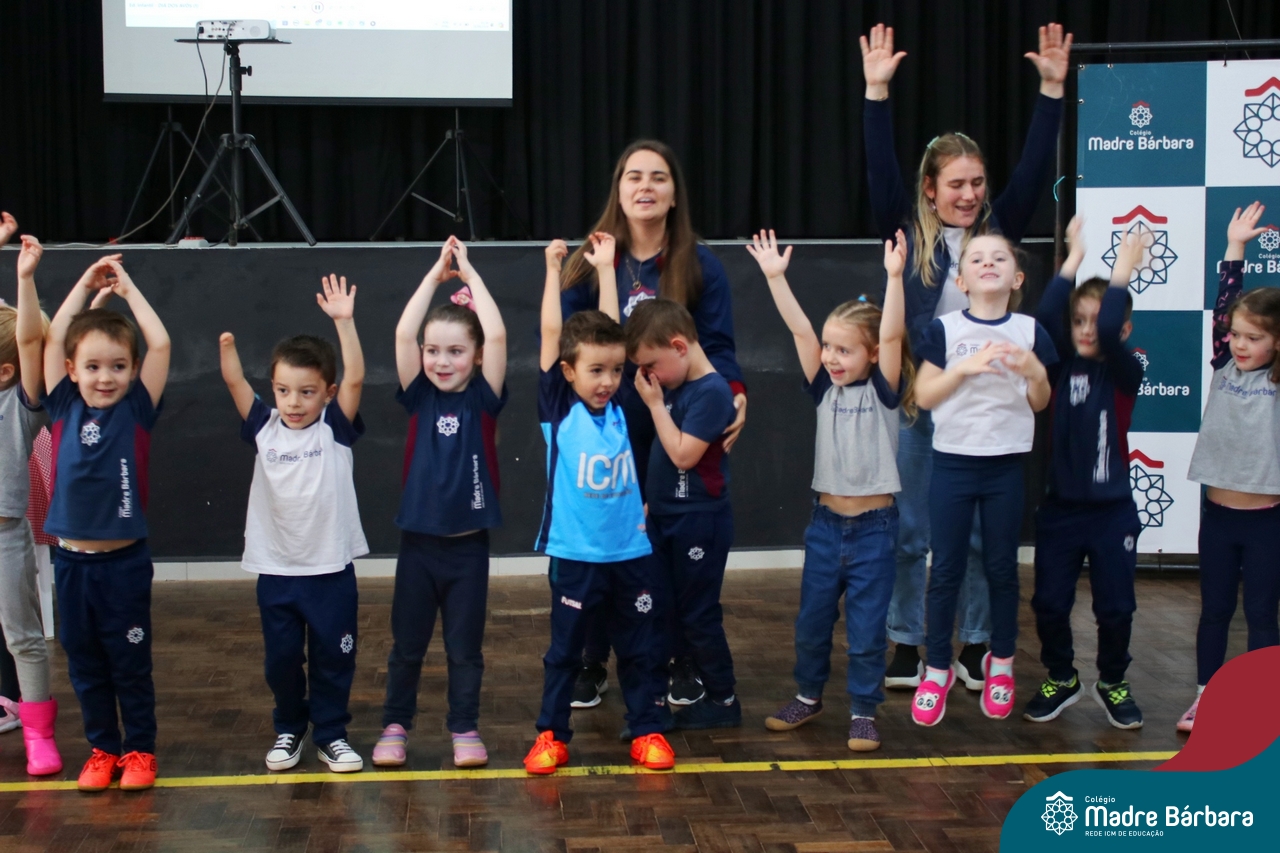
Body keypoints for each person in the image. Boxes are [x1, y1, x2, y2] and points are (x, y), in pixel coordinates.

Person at [861, 22, 1070, 691]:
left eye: (977, 183)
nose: (970, 194)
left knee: (981, 537)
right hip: (925, 404)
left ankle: (977, 643)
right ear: (930, 188)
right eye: (956, 184)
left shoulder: (996, 234)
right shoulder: (905, 231)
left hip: (988, 410)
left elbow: (1033, 171)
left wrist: (1051, 91)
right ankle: (906, 641)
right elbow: (879, 169)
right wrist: (875, 94)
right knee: (911, 531)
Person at [559, 140, 746, 709]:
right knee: (602, 541)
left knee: (667, 551)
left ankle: (678, 658)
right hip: (606, 430)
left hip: (674, 427)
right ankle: (592, 659)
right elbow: (571, 346)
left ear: (674, 194)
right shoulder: (588, 261)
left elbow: (719, 348)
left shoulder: (700, 263)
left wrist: (736, 394)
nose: (646, 186)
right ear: (618, 189)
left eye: (658, 177)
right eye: (634, 176)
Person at [751, 228, 914, 751]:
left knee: (866, 632)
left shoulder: (884, 392)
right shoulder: (824, 388)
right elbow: (800, 330)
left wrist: (894, 278)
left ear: (872, 354)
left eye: (844, 350)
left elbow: (893, 336)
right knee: (812, 624)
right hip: (825, 527)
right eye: (829, 347)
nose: (831, 357)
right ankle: (808, 695)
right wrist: (776, 278)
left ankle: (864, 711)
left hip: (875, 530)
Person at [524, 233, 675, 775]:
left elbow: (614, 330)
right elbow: (552, 333)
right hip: (575, 555)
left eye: (614, 370)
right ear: (568, 372)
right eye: (595, 371)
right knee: (565, 651)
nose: (608, 380)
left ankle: (647, 729)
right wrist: (553, 270)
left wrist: (608, 269)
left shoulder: (624, 404)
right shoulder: (558, 408)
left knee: (639, 647)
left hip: (630, 552)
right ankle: (551, 735)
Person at [219, 275, 368, 774]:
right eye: (283, 391)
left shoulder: (334, 429)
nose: (294, 402)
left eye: (306, 392)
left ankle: (331, 733)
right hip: (277, 571)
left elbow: (356, 378)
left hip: (330, 571)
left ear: (327, 393)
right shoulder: (264, 428)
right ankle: (290, 726)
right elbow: (236, 384)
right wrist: (228, 351)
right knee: (281, 660)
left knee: (333, 658)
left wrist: (344, 323)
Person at [910, 233, 1056, 726]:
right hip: (953, 464)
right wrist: (964, 368)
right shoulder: (945, 330)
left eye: (999, 258)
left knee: (1001, 568)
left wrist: (1036, 373)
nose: (987, 263)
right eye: (976, 258)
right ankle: (936, 669)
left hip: (1006, 466)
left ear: (1016, 278)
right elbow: (924, 396)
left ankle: (1002, 665)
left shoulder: (1030, 330)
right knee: (946, 569)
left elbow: (1039, 401)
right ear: (961, 280)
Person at [372, 238, 507, 769]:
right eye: (433, 351)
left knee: (464, 649)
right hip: (418, 549)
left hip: (468, 551)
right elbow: (402, 334)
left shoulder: (483, 398)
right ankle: (395, 725)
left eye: (455, 351)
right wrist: (434, 276)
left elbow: (497, 333)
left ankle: (464, 727)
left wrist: (470, 275)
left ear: (477, 356)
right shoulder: (420, 395)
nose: (441, 361)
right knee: (407, 647)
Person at [43, 255, 170, 792]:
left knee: (129, 663)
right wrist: (84, 285)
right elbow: (55, 338)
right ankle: (103, 749)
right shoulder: (62, 405)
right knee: (85, 663)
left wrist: (128, 290)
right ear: (72, 370)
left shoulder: (136, 409)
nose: (105, 377)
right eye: (92, 366)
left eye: (118, 366)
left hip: (123, 565)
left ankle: (140, 749)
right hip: (71, 564)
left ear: (132, 371)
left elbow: (159, 344)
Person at [1025, 217, 1146, 729]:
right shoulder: (1059, 367)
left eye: (1097, 320)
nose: (1088, 329)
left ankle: (1113, 681)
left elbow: (1110, 323)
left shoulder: (1124, 371)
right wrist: (1072, 259)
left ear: (1124, 330)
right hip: (1060, 512)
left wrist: (1121, 272)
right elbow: (1045, 315)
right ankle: (1062, 676)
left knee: (1116, 608)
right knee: (1049, 603)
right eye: (1079, 321)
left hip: (1112, 513)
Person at [1181, 202, 1280, 733]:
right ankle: (1206, 696)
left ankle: (1263, 701)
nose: (1241, 344)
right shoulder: (1223, 362)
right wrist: (1235, 246)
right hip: (1218, 515)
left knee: (1262, 614)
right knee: (1214, 610)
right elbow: (1225, 303)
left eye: (1254, 338)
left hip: (1267, 520)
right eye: (1237, 334)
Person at [628, 298, 740, 729]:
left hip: (699, 521)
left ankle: (723, 700)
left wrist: (655, 405)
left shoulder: (712, 392)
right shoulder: (676, 386)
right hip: (665, 516)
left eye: (650, 365)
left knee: (698, 613)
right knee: (658, 608)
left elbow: (682, 456)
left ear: (678, 346)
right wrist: (652, 503)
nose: (648, 377)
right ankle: (654, 701)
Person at [0, 218, 61, 775]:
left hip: (5, 536)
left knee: (23, 636)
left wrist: (24, 278)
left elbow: (28, 340)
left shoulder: (19, 409)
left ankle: (39, 734)